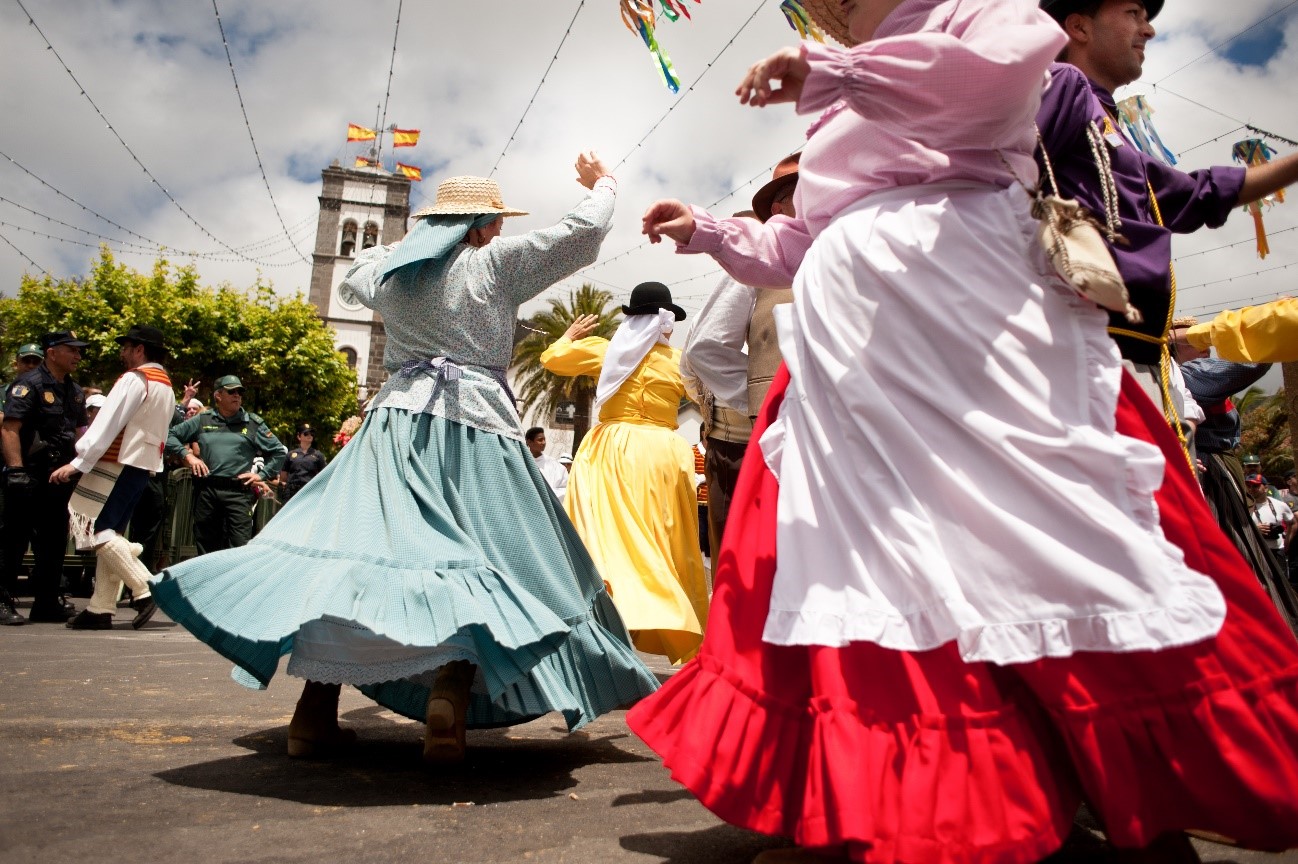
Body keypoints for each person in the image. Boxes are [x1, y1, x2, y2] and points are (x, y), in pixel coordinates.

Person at [629, 0, 1298, 860]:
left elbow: (992, 86)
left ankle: (1113, 781)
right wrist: (710, 233)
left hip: (966, 323)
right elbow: (806, 238)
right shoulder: (846, 94)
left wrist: (835, 71)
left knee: (1039, 545)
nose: (837, 11)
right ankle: (911, 793)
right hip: (856, 359)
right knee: (876, 567)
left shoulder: (985, 16)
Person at [148, 155, 656, 765]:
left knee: (358, 550)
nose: (497, 231)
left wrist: (412, 245)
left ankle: (314, 711)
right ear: (479, 225)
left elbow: (355, 274)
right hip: (476, 428)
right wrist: (604, 184)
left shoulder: (391, 273)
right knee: (484, 557)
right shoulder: (494, 263)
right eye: (493, 222)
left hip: (391, 424)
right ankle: (449, 692)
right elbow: (581, 234)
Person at [1036, 0, 1298, 433]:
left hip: (1124, 360)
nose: (1148, 30)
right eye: (1134, 14)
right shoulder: (1063, 86)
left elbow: (1197, 193)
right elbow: (999, 173)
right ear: (1079, 27)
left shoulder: (1110, 128)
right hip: (1078, 352)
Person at [541, 283, 710, 664]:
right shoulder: (680, 361)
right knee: (661, 540)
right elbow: (707, 397)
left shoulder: (608, 351)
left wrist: (567, 336)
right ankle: (668, 612)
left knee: (606, 537)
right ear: (666, 322)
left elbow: (553, 359)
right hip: (664, 454)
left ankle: (612, 611)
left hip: (612, 449)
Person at [49, 325, 174, 631]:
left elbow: (108, 421)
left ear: (139, 350)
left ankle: (145, 588)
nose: (122, 352)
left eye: (126, 346)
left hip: (116, 462)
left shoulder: (135, 379)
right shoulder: (166, 384)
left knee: (96, 530)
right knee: (112, 534)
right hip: (141, 464)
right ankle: (100, 607)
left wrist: (79, 461)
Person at [1, 331, 90, 624]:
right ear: (52, 352)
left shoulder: (74, 391)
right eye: (71, 350)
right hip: (29, 476)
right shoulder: (28, 385)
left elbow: (79, 433)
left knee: (52, 543)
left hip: (58, 478)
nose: (78, 356)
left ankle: (47, 602)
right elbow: (9, 428)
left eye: (79, 351)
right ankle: (2, 601)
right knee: (13, 541)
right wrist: (15, 470)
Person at [165, 375, 287, 554]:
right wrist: (188, 456)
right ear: (218, 396)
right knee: (206, 546)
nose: (237, 395)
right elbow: (169, 435)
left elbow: (278, 451)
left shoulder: (252, 423)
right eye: (231, 391)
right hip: (207, 491)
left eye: (239, 392)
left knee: (239, 546)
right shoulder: (203, 420)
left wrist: (261, 475)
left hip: (238, 493)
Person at [1249, 473, 1294, 566]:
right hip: (1256, 551)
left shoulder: (1279, 504)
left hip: (1277, 551)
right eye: (1249, 486)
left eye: (1256, 486)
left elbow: (1292, 523)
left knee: (1280, 580)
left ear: (1266, 488)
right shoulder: (1244, 506)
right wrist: (1254, 529)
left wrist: (1287, 541)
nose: (1251, 489)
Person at [279, 424, 327, 503]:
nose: (309, 436)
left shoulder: (318, 455)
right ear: (299, 436)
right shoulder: (291, 454)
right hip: (292, 492)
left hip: (309, 491)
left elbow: (323, 475)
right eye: (306, 434)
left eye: (311, 434)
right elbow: (284, 475)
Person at [525, 426, 568, 502]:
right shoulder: (522, 462)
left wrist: (547, 496)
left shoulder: (555, 465)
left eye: (544, 439)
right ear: (529, 442)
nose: (544, 443)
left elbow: (564, 488)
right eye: (540, 440)